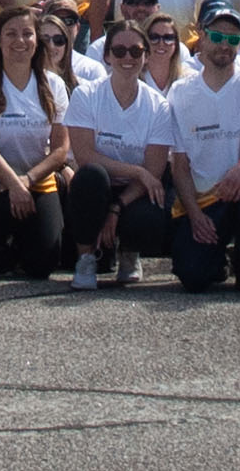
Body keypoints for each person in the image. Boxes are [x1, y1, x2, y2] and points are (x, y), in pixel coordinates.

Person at [161, 7, 240, 293]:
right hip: (203, 201)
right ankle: (218, 259)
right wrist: (194, 214)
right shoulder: (180, 92)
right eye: (217, 36)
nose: (224, 45)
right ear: (202, 38)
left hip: (239, 190)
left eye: (233, 38)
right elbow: (179, 165)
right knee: (193, 276)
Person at [0, 7, 92, 281]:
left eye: (27, 33)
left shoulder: (54, 85)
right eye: (10, 34)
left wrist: (27, 180)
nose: (19, 41)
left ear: (38, 40)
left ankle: (22, 241)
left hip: (37, 178)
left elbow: (61, 150)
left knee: (43, 266)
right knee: (4, 204)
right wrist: (13, 184)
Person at [69, 16, 177, 284]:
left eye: (136, 51)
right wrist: (136, 171)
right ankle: (85, 259)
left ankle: (130, 252)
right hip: (97, 186)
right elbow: (84, 156)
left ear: (147, 56)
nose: (127, 57)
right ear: (106, 56)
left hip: (134, 191)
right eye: (119, 50)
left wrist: (117, 207)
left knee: (152, 211)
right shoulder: (86, 95)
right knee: (90, 177)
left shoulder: (158, 106)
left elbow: (154, 171)